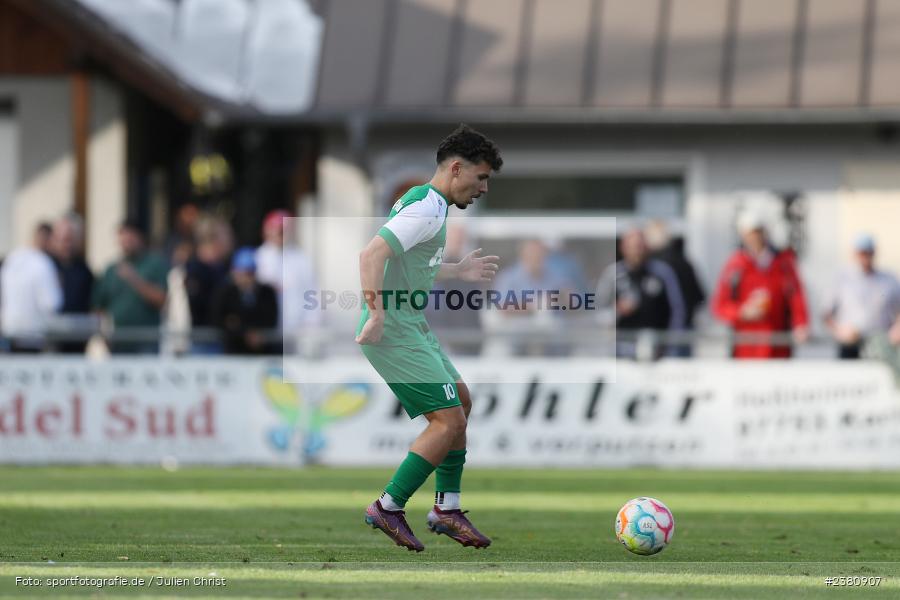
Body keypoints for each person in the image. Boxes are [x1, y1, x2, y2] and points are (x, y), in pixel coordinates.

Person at [356, 124, 501, 551]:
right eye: (481, 177)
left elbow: (408, 257)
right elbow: (371, 254)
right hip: (394, 325)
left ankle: (446, 508)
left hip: (409, 321)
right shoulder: (426, 208)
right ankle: (388, 505)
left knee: (461, 398)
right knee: (449, 419)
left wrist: (456, 270)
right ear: (456, 169)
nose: (484, 188)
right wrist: (377, 313)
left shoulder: (430, 204)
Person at [712, 210, 809, 358]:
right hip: (746, 348)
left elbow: (796, 297)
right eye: (749, 233)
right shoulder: (735, 266)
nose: (754, 238)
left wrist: (800, 324)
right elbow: (720, 307)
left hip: (778, 345)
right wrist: (742, 312)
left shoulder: (783, 263)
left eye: (757, 232)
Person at [596, 228, 686, 359]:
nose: (637, 251)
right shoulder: (612, 275)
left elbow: (677, 309)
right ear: (623, 248)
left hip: (656, 350)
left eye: (640, 246)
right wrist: (617, 311)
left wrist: (670, 343)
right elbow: (599, 311)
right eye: (632, 247)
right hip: (621, 351)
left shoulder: (662, 273)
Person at [92, 220, 169, 353]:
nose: (126, 241)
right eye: (123, 236)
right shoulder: (111, 269)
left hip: (147, 342)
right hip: (118, 342)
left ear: (141, 237)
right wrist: (103, 335)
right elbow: (98, 307)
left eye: (131, 236)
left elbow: (161, 300)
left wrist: (134, 279)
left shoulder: (155, 264)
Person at [493, 239, 579, 356]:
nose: (537, 258)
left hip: (552, 343)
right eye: (533, 255)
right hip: (518, 344)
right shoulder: (509, 278)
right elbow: (502, 307)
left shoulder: (555, 277)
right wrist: (533, 305)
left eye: (540, 255)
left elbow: (574, 303)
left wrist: (561, 299)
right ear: (523, 255)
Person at [823, 234, 900, 359]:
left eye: (868, 252)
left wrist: (897, 329)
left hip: (881, 346)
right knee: (849, 377)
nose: (865, 257)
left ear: (874, 253)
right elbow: (826, 314)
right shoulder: (842, 279)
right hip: (850, 346)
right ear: (854, 254)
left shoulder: (888, 280)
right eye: (862, 253)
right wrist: (839, 331)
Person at [255, 209, 320, 350]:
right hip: (267, 333)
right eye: (277, 229)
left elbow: (312, 293)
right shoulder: (259, 257)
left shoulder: (302, 258)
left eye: (284, 230)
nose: (280, 234)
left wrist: (311, 323)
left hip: (296, 332)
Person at [644, 220, 706, 355]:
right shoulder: (684, 262)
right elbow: (700, 296)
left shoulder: (655, 267)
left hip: (665, 333)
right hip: (685, 329)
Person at [0, 222, 63, 352]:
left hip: (8, 332)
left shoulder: (12, 258)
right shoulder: (43, 263)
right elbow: (51, 303)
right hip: (33, 337)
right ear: (48, 239)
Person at [211, 247, 279, 355]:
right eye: (243, 273)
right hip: (233, 352)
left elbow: (270, 318)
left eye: (250, 273)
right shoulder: (225, 293)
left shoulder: (266, 293)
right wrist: (244, 333)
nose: (246, 278)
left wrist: (252, 332)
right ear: (234, 272)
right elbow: (218, 319)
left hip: (262, 353)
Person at [49, 213, 95, 353]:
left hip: (76, 340)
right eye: (62, 239)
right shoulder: (46, 266)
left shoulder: (84, 270)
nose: (66, 245)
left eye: (70, 240)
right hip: (50, 338)